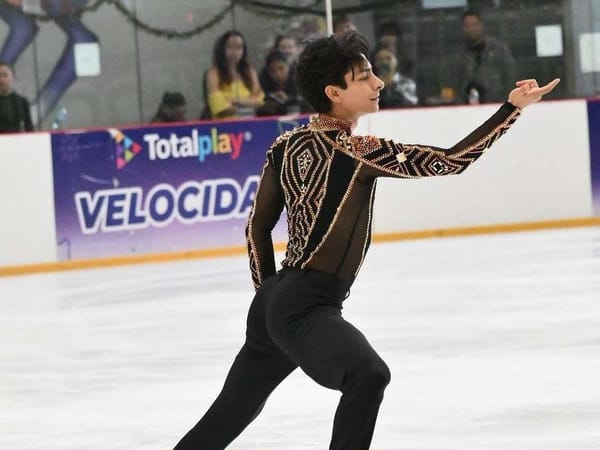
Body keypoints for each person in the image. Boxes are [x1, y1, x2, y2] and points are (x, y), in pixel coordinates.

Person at [174, 31, 559, 450]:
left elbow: (257, 228)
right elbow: (450, 162)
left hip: (278, 300)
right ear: (334, 92)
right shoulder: (358, 151)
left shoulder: (285, 146)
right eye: (364, 77)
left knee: (232, 411)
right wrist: (511, 110)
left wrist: (267, 294)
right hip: (306, 306)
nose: (378, 83)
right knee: (367, 375)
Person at [450, 8, 518, 104]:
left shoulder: (498, 49)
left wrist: (507, 101)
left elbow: (510, 76)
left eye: (474, 24)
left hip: (498, 103)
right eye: (467, 25)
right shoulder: (459, 56)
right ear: (463, 28)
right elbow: (455, 83)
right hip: (468, 107)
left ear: (481, 25)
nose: (472, 29)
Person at [205, 30, 264, 119]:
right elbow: (219, 107)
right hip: (225, 127)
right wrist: (248, 104)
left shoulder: (249, 72)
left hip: (249, 124)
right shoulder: (214, 73)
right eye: (230, 47)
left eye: (239, 48)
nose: (234, 52)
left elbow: (259, 101)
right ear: (222, 49)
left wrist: (235, 101)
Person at [256, 50, 311, 116]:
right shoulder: (263, 80)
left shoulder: (298, 78)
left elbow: (307, 100)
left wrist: (288, 99)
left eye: (281, 68)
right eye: (273, 70)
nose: (278, 74)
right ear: (268, 71)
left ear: (288, 67)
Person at [0, 61, 33, 133]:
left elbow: (29, 128)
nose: (1, 79)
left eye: (5, 75)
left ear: (12, 77)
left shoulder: (22, 102)